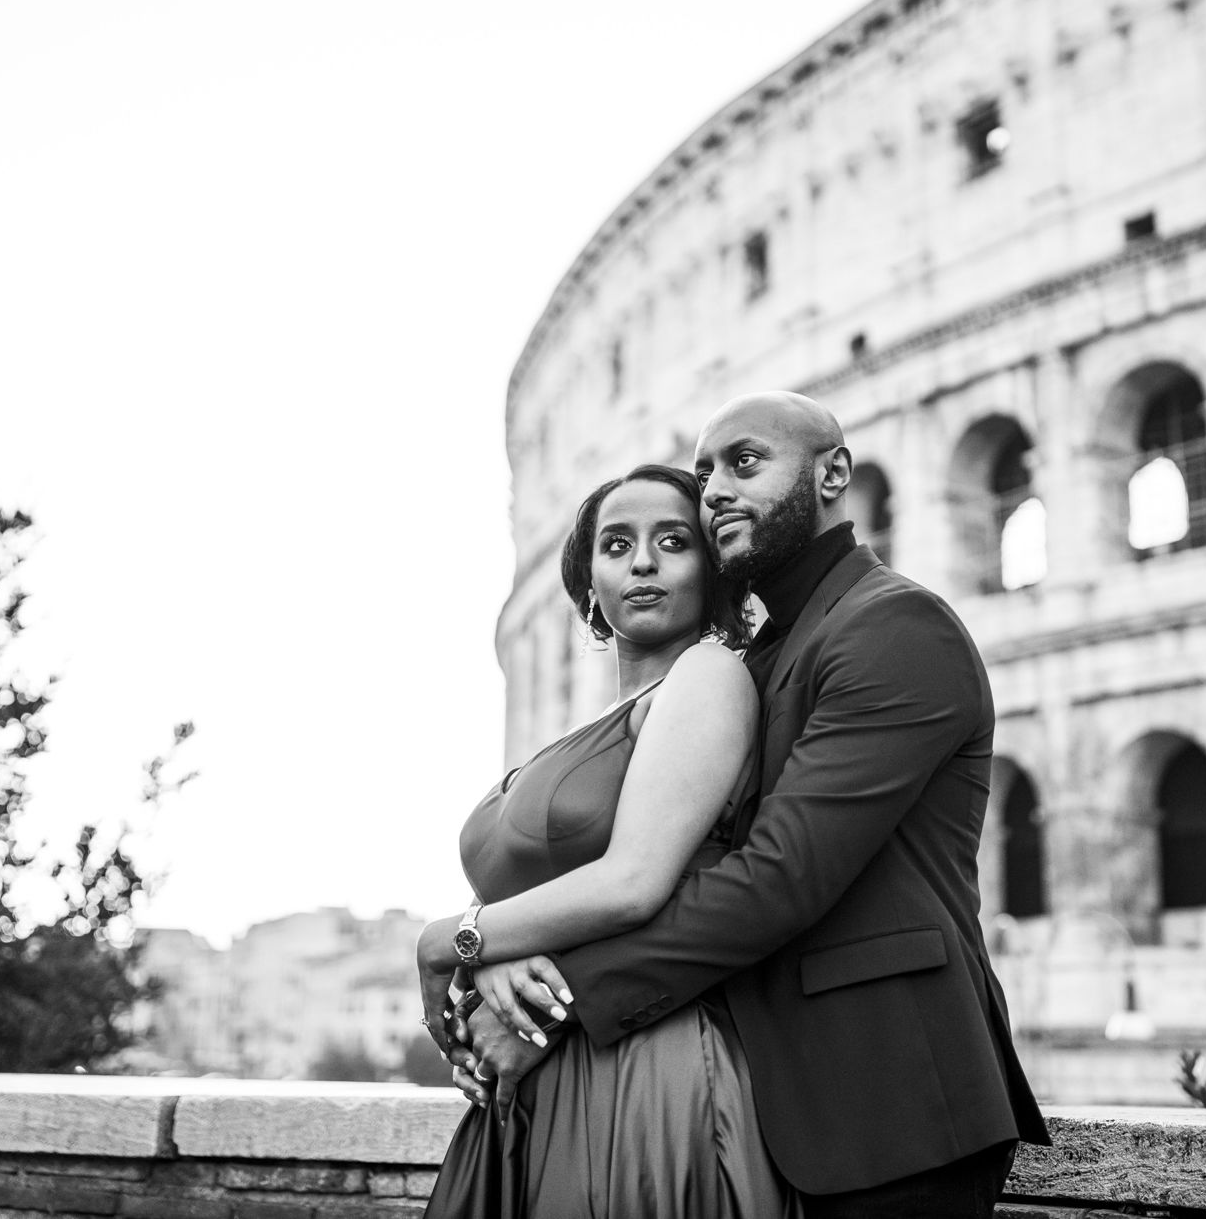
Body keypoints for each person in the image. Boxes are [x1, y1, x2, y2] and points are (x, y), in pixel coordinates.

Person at [451, 392, 1051, 1218]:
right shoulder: (765, 652)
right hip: (774, 1091)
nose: (717, 491)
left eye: (745, 462)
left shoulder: (894, 626)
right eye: (704, 474)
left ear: (833, 472)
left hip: (893, 1096)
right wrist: (509, 945)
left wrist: (550, 998)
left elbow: (775, 877)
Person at [416, 462, 801, 1218]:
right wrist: (496, 949)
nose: (644, 562)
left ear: (714, 571)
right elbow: (537, 888)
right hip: (552, 1063)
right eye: (617, 544)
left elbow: (634, 880)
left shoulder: (707, 674)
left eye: (673, 541)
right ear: (588, 581)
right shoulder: (596, 723)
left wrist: (450, 939)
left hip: (642, 1064)